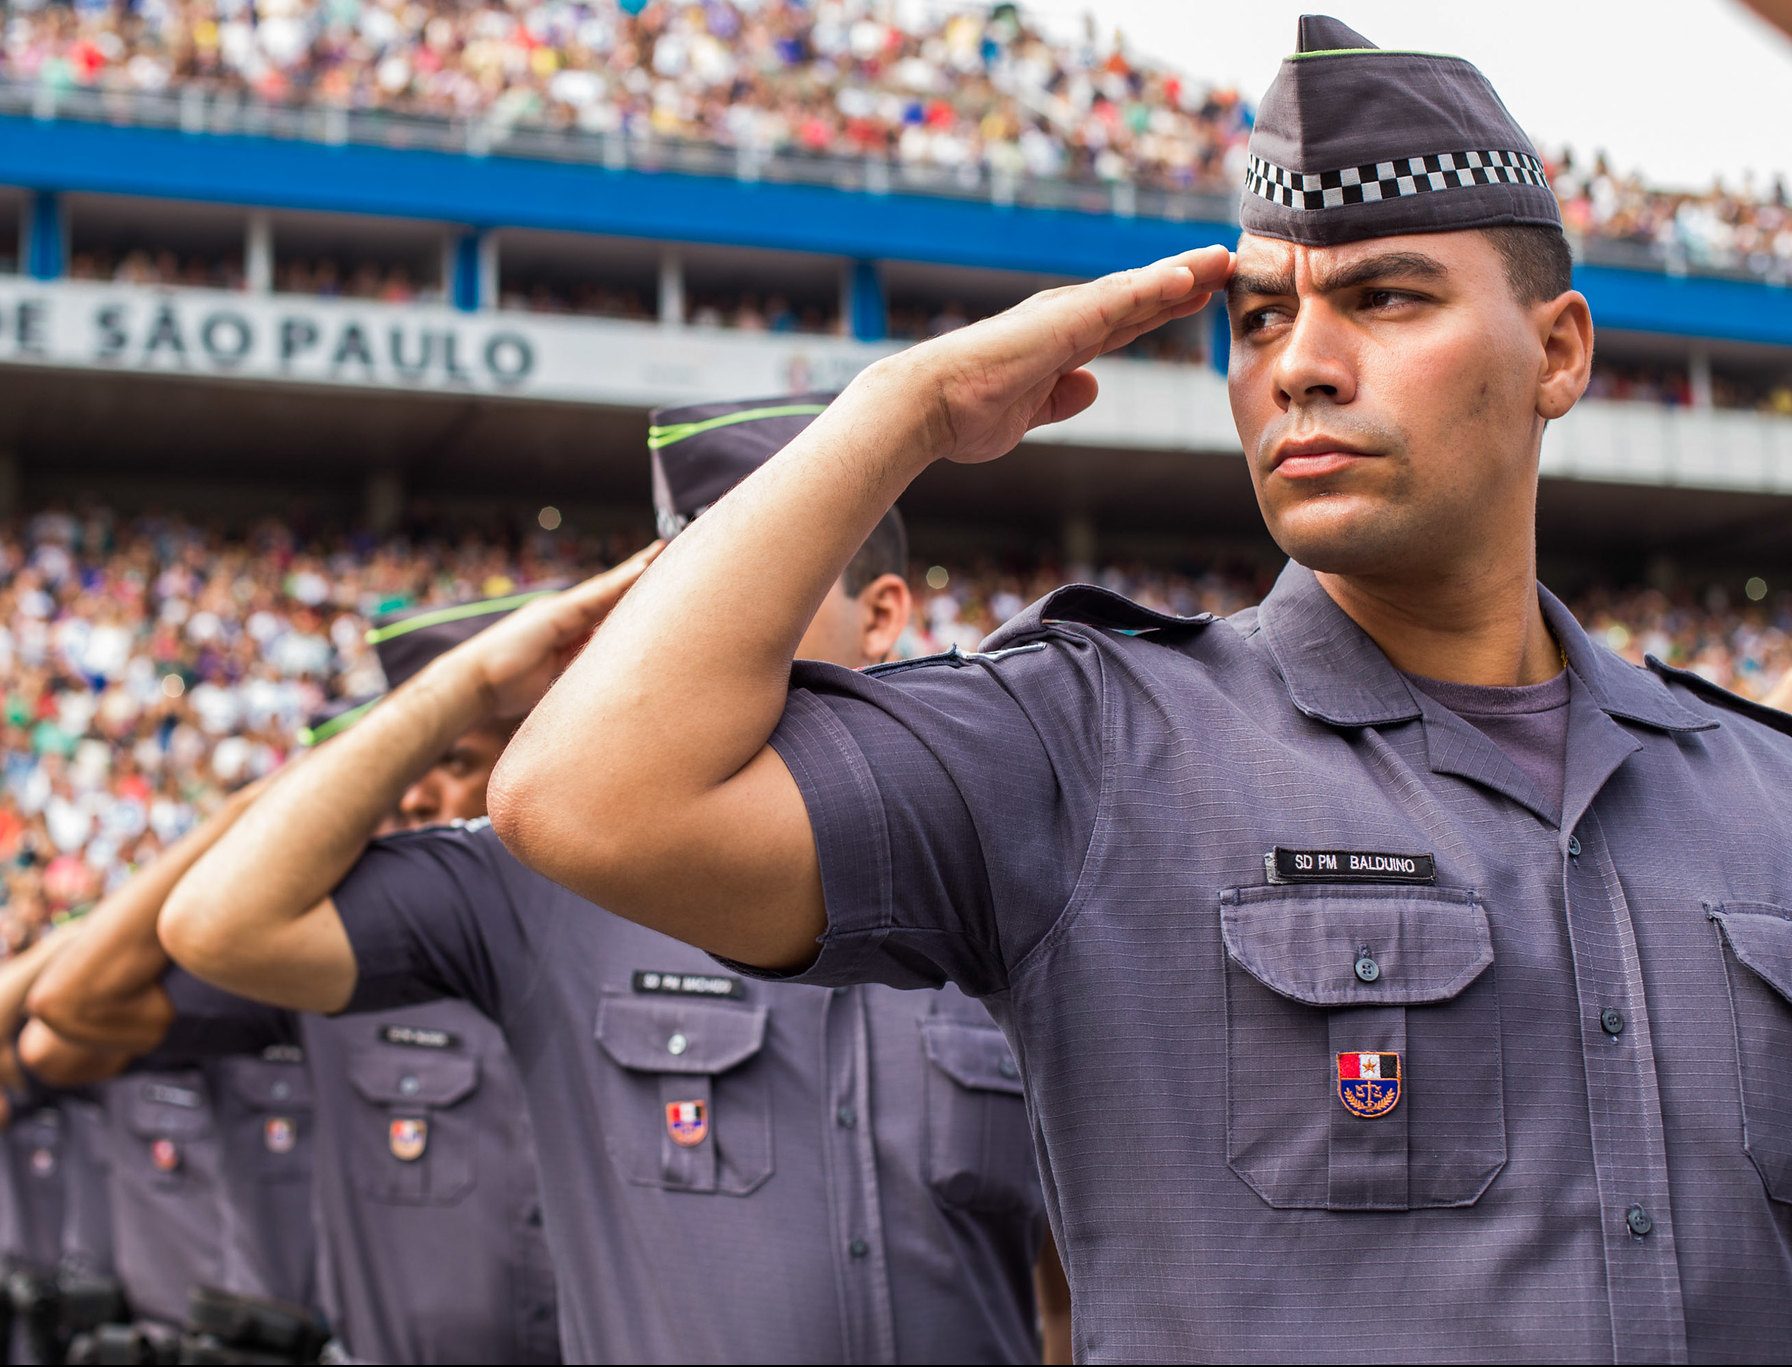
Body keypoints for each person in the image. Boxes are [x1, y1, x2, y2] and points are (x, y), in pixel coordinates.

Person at [486, 16, 1792, 1363]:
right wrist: (907, 405)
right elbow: (584, 798)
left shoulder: (1761, 792)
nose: (1301, 363)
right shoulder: (1091, 741)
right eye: (1261, 316)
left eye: (1387, 297)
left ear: (1559, 353)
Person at [158, 414, 1071, 1366]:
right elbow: (223, 923)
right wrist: (466, 684)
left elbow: (1062, 1291)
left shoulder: (1001, 867)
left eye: (770, 575)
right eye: (686, 590)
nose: (717, 626)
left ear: (881, 614)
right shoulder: (544, 876)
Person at [22, 614, 564, 1366]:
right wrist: (279, 799)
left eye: (454, 760)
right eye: (401, 772)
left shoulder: (636, 930)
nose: (414, 798)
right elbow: (74, 1004)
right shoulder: (338, 962)